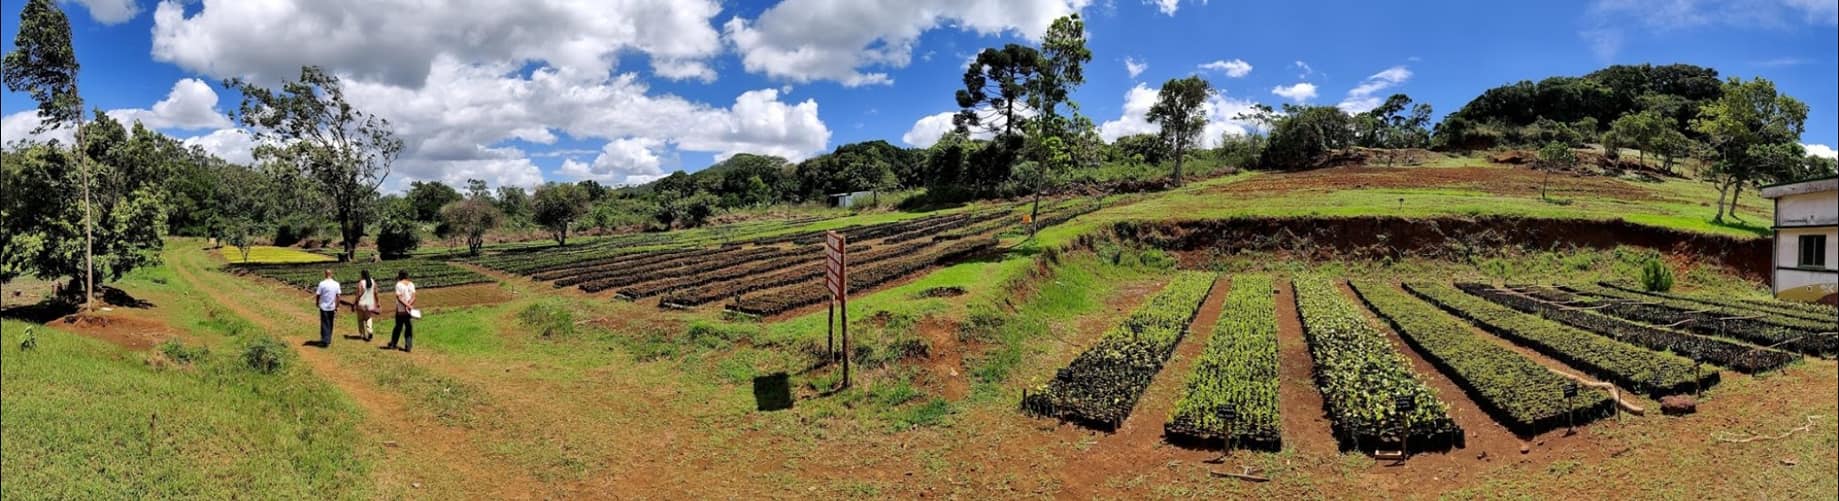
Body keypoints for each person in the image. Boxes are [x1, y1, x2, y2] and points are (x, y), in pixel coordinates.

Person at [385, 270, 417, 352]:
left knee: (398, 327)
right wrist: (409, 305)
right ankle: (408, 346)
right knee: (408, 327)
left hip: (400, 310)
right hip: (409, 310)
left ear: (400, 276)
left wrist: (406, 305)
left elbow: (399, 298)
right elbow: (414, 297)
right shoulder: (411, 284)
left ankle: (393, 343)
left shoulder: (399, 284)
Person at [313, 269, 341, 347]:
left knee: (325, 323)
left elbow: (318, 294)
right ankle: (328, 339)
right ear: (331, 274)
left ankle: (325, 340)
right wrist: (337, 306)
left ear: (325, 274)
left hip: (324, 306)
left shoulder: (322, 284)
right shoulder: (336, 284)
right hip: (332, 306)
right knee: (330, 323)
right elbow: (338, 296)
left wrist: (317, 302)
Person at [353, 270, 378, 341]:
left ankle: (362, 334)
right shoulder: (373, 282)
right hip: (370, 303)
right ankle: (370, 331)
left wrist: (355, 302)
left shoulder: (361, 283)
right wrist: (378, 302)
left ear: (362, 275)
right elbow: (376, 292)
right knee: (368, 318)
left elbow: (359, 294)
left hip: (361, 304)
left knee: (360, 320)